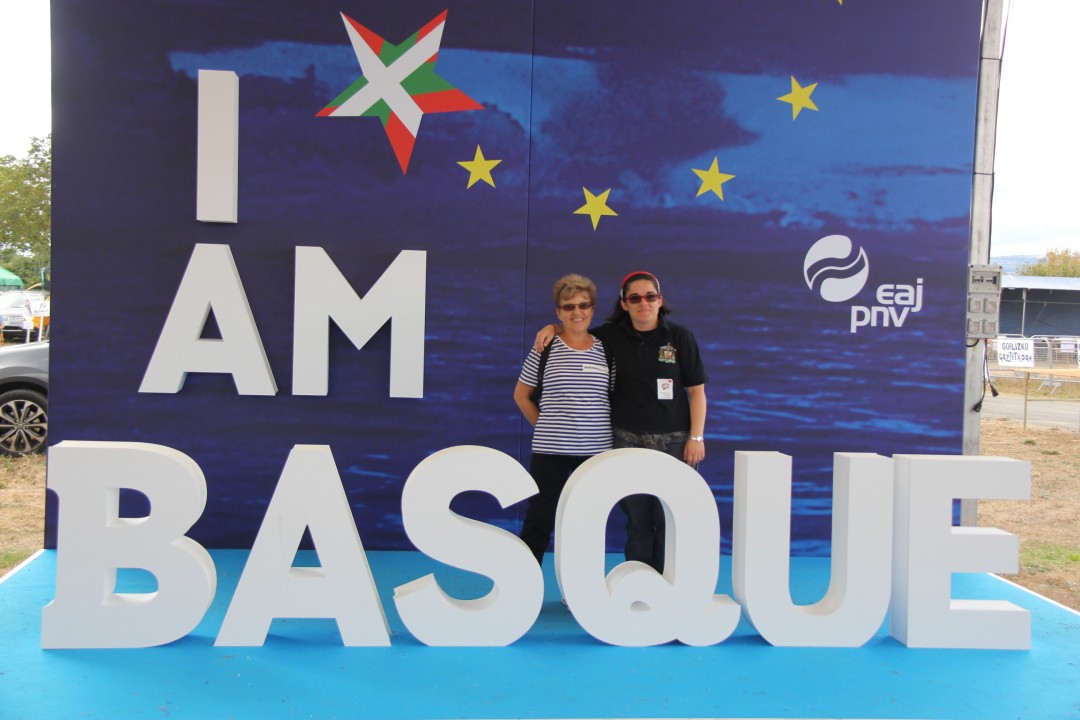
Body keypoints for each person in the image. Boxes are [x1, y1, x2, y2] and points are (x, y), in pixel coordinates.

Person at [534, 271, 707, 573]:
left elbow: (697, 392)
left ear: (660, 300)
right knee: (638, 520)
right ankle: (638, 582)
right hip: (627, 442)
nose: (643, 303)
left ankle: (671, 582)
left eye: (650, 296)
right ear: (624, 304)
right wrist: (552, 327)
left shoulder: (680, 337)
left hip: (676, 443)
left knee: (671, 517)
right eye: (635, 298)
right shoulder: (610, 336)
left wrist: (696, 437)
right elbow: (577, 327)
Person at [514, 274, 613, 567]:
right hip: (551, 452)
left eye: (583, 305)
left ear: (592, 309)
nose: (576, 312)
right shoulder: (545, 347)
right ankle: (523, 581)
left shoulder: (606, 350)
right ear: (558, 312)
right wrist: (547, 427)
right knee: (539, 520)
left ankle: (582, 584)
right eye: (568, 307)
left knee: (588, 521)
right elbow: (521, 395)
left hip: (595, 453)